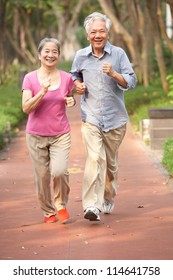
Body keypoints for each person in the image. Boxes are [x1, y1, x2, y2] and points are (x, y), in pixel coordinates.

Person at [70, 12, 137, 222]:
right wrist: (77, 85)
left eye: (101, 31)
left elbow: (132, 81)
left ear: (108, 33)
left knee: (110, 165)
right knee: (95, 159)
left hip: (115, 119)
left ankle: (108, 196)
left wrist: (115, 74)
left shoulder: (118, 54)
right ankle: (92, 205)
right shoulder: (81, 55)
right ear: (87, 35)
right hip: (91, 117)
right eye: (93, 31)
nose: (97, 35)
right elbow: (74, 75)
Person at [22, 38, 75, 224]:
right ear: (39, 55)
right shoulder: (30, 78)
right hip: (35, 135)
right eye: (47, 51)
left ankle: (60, 204)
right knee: (42, 175)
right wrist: (42, 91)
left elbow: (70, 97)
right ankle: (47, 211)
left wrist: (72, 101)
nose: (50, 55)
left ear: (58, 55)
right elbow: (26, 108)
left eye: (54, 52)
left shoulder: (67, 78)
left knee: (59, 171)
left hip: (60, 133)